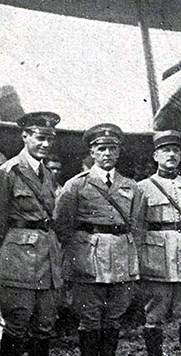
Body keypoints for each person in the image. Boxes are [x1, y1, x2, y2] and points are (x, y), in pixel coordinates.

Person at [56, 123, 142, 356]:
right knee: (90, 318)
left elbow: (136, 225)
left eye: (112, 149)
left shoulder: (130, 186)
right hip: (88, 260)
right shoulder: (76, 185)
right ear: (92, 152)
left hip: (121, 259)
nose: (107, 154)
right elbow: (63, 226)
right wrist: (76, 258)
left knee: (114, 317)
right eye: (101, 149)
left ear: (118, 152)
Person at [136, 130, 181, 356]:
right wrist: (137, 263)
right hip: (156, 260)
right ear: (155, 156)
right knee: (154, 315)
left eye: (176, 150)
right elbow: (137, 228)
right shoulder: (143, 188)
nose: (172, 155)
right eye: (166, 150)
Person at [0, 112, 63, 356]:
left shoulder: (47, 174)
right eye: (40, 138)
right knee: (17, 322)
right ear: (25, 136)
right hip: (17, 261)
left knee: (45, 325)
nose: (46, 144)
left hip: (47, 259)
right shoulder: (8, 172)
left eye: (50, 139)